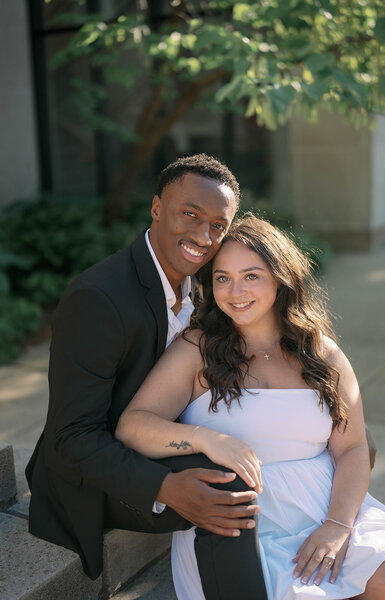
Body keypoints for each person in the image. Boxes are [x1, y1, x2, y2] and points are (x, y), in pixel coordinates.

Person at [115, 214, 385, 599]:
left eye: (251, 275)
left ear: (280, 278)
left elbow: (351, 448)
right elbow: (132, 425)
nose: (235, 291)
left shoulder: (320, 352)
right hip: (245, 532)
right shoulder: (196, 350)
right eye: (222, 278)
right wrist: (205, 439)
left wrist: (337, 525)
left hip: (330, 509)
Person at [25, 155, 268, 599]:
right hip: (95, 472)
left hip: (160, 438)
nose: (203, 235)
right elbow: (72, 435)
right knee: (227, 492)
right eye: (190, 214)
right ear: (157, 208)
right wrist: (164, 487)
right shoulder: (98, 299)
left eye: (218, 224)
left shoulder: (201, 285)